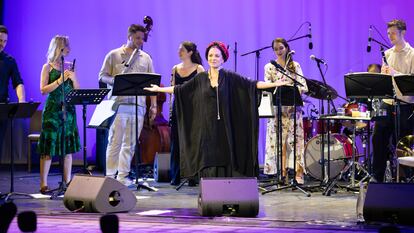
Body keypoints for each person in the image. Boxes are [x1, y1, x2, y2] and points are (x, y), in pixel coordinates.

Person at [145, 41, 288, 181]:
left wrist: (274, 83)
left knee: (225, 153)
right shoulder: (201, 78)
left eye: (217, 56)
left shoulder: (230, 77)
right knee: (209, 155)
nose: (213, 58)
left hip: (225, 126)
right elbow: (180, 89)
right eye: (211, 55)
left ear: (223, 59)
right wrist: (159, 89)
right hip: (207, 127)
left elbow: (252, 84)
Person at [99, 24, 157, 186]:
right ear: (130, 36)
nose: (140, 41)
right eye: (137, 38)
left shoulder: (146, 58)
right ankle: (110, 176)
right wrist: (117, 81)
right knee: (115, 142)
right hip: (118, 104)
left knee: (130, 144)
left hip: (138, 106)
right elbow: (102, 76)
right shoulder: (114, 55)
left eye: (142, 38)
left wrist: (153, 105)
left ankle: (123, 176)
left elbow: (152, 84)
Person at [372, 19, 414, 182]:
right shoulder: (387, 54)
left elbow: (410, 81)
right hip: (388, 102)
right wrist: (384, 75)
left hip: (405, 104)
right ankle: (378, 177)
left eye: (393, 33)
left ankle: (406, 178)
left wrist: (394, 72)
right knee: (378, 138)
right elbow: (386, 80)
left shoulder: (412, 54)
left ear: (403, 32)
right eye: (388, 33)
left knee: (403, 142)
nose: (390, 36)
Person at [37, 35, 80, 194]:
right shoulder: (47, 67)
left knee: (67, 149)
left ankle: (67, 182)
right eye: (66, 46)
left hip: (68, 111)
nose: (68, 49)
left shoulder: (70, 67)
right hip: (53, 110)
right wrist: (60, 80)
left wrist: (74, 78)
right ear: (58, 48)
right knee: (48, 148)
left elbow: (77, 90)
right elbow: (43, 90)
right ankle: (43, 184)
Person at [263, 38, 308, 184]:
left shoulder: (295, 65)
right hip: (277, 110)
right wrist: (277, 85)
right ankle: (282, 174)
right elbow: (267, 86)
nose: (278, 51)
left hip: (293, 110)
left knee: (296, 142)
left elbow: (304, 86)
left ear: (287, 48)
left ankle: (298, 174)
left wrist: (293, 89)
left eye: (281, 48)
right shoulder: (269, 67)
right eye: (276, 49)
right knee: (279, 142)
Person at [169, 41, 204, 185]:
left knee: (193, 142)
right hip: (179, 107)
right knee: (175, 142)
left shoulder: (199, 68)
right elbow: (172, 91)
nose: (179, 52)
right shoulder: (175, 69)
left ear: (190, 52)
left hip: (193, 108)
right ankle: (175, 176)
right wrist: (171, 110)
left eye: (182, 50)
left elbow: (202, 91)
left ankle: (193, 177)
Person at [0, 25, 26, 158]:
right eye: (0, 40)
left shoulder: (9, 61)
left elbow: (18, 82)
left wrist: (21, 100)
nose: (2, 44)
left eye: (4, 41)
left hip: (1, 109)